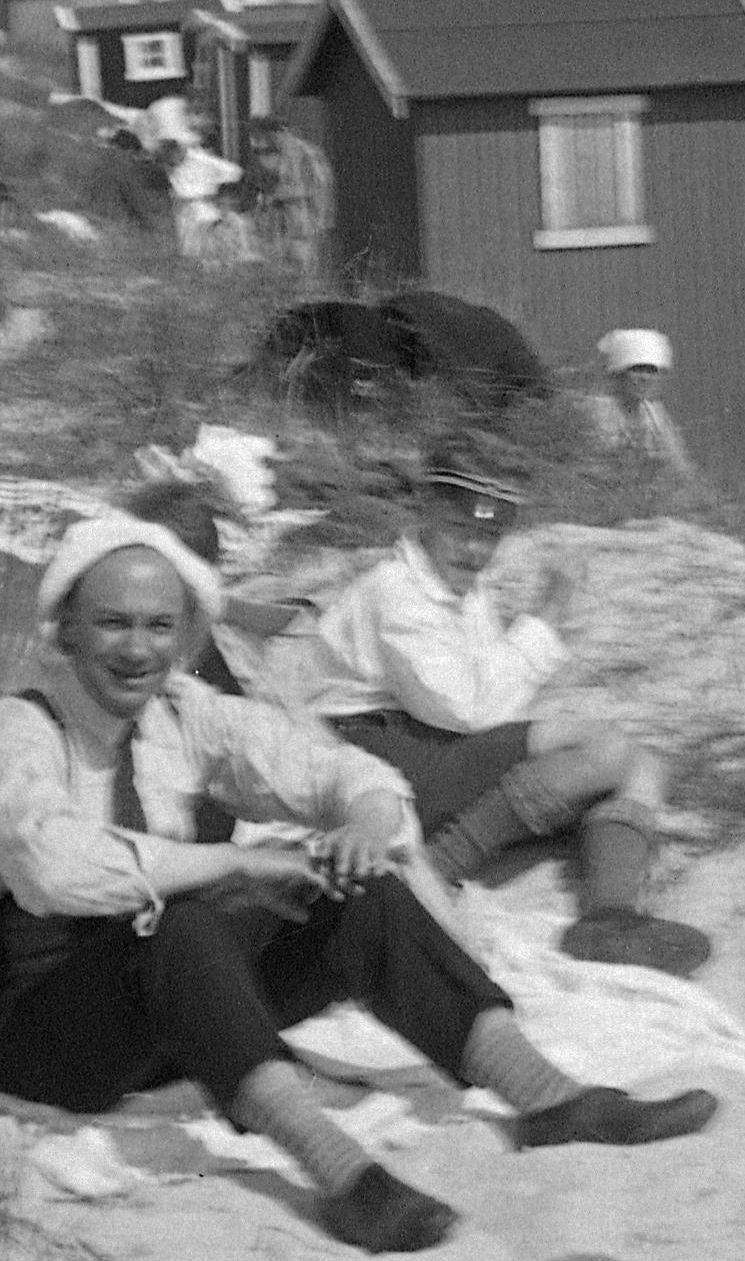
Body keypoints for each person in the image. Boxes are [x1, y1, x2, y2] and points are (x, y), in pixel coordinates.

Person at [0, 518, 711, 1255]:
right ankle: (343, 1175)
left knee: (350, 888)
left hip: (173, 1008)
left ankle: (546, 1097)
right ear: (66, 630)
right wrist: (236, 864)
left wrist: (365, 823)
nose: (137, 649)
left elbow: (322, 768)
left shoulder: (179, 712)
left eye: (158, 627)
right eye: (112, 624)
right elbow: (54, 869)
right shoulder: (13, 730)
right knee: (185, 924)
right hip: (36, 1028)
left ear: (183, 635)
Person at [295, 449, 713, 974]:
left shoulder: (458, 587)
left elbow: (486, 690)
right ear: (426, 512)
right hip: (372, 753)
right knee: (603, 748)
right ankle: (435, 867)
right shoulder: (396, 592)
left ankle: (610, 920)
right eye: (459, 530)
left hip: (430, 742)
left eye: (489, 535)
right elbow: (471, 710)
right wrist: (550, 609)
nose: (475, 550)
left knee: (642, 766)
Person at [593, 325, 695, 471]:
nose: (645, 378)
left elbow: (680, 467)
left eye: (651, 371)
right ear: (619, 374)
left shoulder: (655, 416)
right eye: (637, 370)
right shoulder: (597, 414)